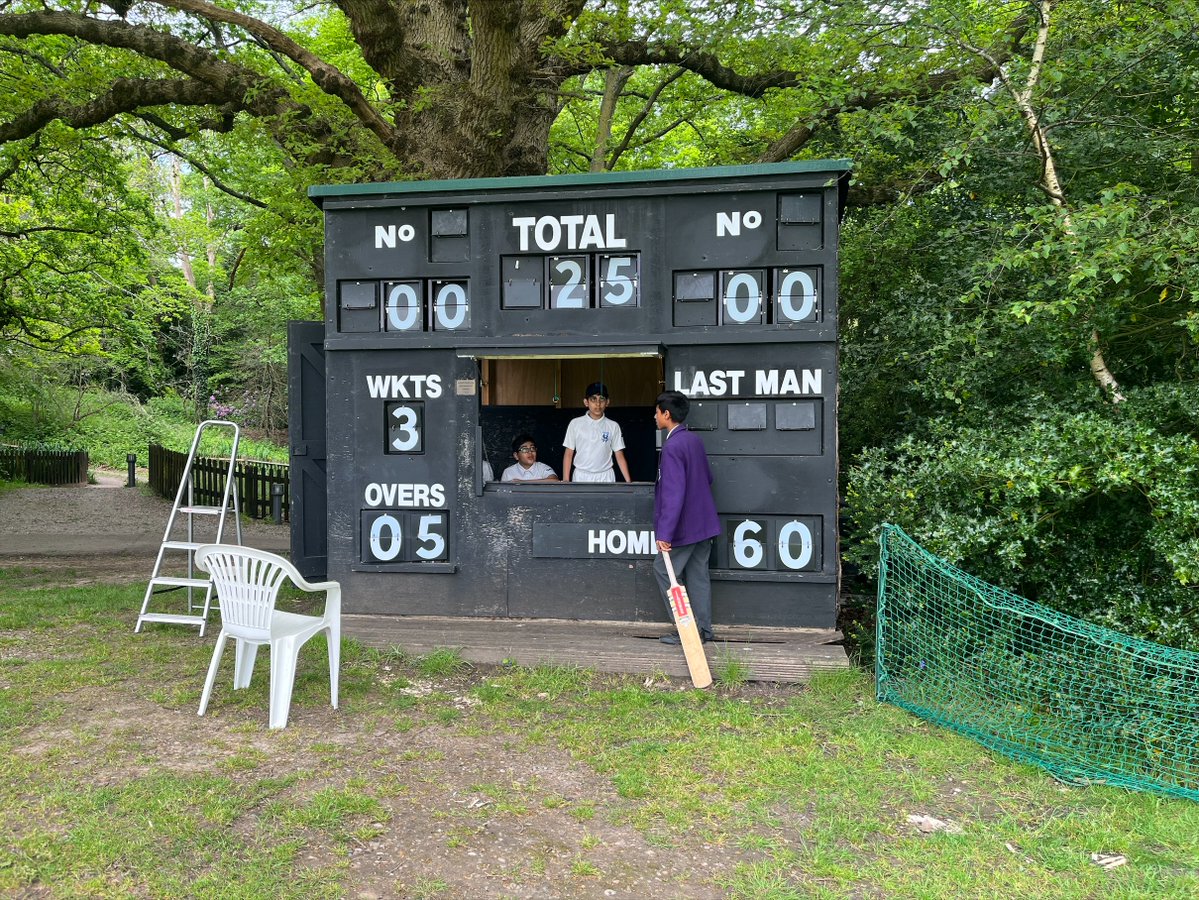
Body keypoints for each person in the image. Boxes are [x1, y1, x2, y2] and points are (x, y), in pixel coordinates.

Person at [653, 390, 719, 644]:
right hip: (705, 524)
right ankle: (703, 630)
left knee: (663, 570)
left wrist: (664, 534)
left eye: (657, 411)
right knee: (698, 575)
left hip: (684, 528)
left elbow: (673, 494)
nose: (655, 416)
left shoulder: (672, 447)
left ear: (666, 414)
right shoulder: (694, 441)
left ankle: (687, 632)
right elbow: (708, 479)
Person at [561, 381, 632, 483]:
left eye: (601, 399)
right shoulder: (575, 424)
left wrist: (629, 482)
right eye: (593, 399)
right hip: (581, 476)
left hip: (606, 476)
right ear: (586, 402)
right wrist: (566, 480)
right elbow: (569, 453)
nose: (598, 404)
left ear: (607, 402)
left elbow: (619, 454)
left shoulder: (613, 426)